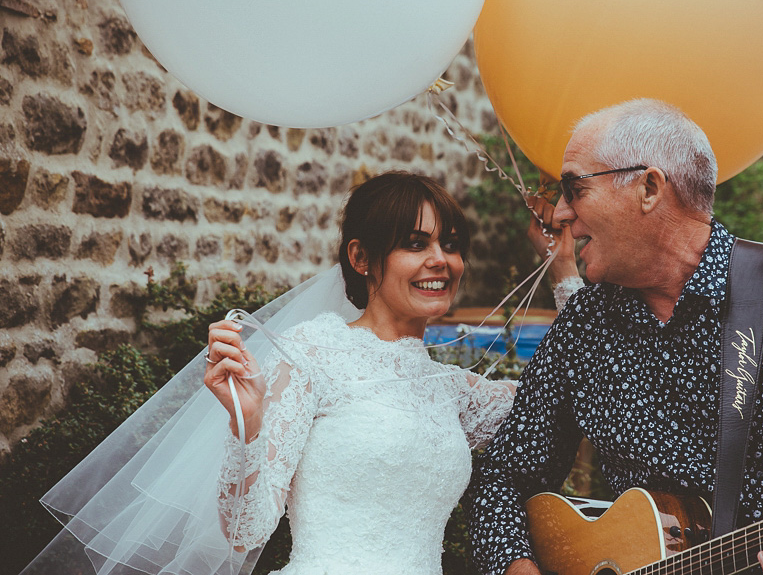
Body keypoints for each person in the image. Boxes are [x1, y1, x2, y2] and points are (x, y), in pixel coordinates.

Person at [22, 171, 568, 575]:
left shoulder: (452, 391)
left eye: (451, 245)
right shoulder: (314, 352)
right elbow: (245, 530)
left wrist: (566, 266)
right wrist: (248, 428)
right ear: (361, 258)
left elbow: (571, 388)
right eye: (415, 243)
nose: (441, 260)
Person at [467, 99, 763, 575]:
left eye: (575, 189)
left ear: (649, 187)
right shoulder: (586, 323)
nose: (560, 213)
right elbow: (505, 476)